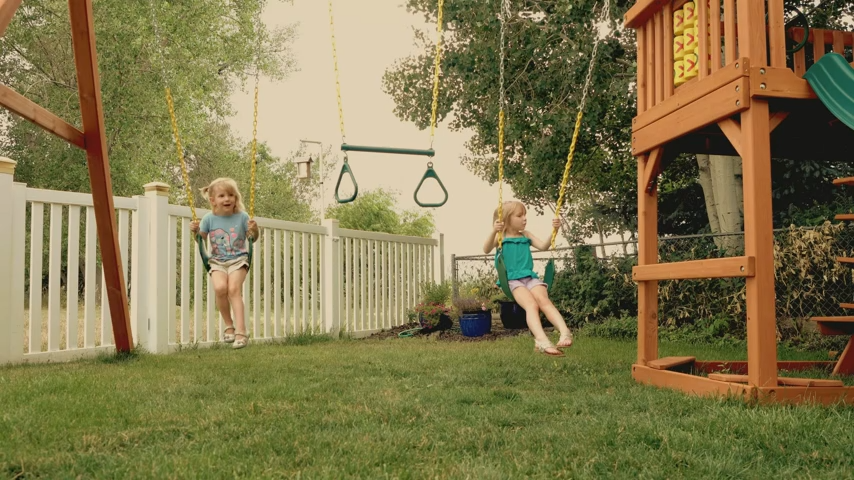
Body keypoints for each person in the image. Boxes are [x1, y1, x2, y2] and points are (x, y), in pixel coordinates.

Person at [484, 200, 573, 356]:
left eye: (525, 215)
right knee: (531, 305)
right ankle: (542, 340)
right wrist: (493, 231)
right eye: (519, 215)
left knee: (544, 300)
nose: (524, 218)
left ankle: (565, 332)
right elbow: (486, 249)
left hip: (530, 277)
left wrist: (555, 230)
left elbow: (544, 246)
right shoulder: (500, 237)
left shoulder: (526, 235)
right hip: (512, 280)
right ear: (506, 219)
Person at [190, 178, 259, 349]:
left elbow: (253, 238)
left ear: (236, 198)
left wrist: (255, 230)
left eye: (231, 195)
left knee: (234, 289)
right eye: (222, 196)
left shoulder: (242, 217)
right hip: (217, 261)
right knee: (220, 288)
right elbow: (201, 240)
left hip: (239, 259)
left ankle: (241, 331)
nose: (227, 199)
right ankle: (229, 325)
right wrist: (195, 232)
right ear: (213, 200)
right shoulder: (208, 219)